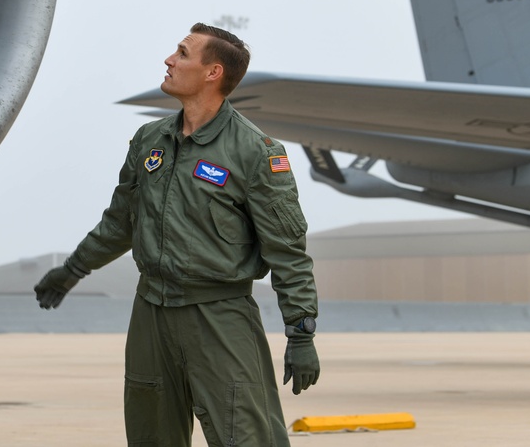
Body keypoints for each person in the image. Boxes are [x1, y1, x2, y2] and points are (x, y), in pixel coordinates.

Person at [34, 23, 319, 446]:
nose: (170, 60)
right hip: (151, 312)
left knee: (247, 437)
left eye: (183, 53)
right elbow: (120, 223)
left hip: (219, 316)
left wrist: (301, 331)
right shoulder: (151, 140)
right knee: (152, 436)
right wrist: (73, 270)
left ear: (212, 72)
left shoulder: (255, 152)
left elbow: (287, 250)